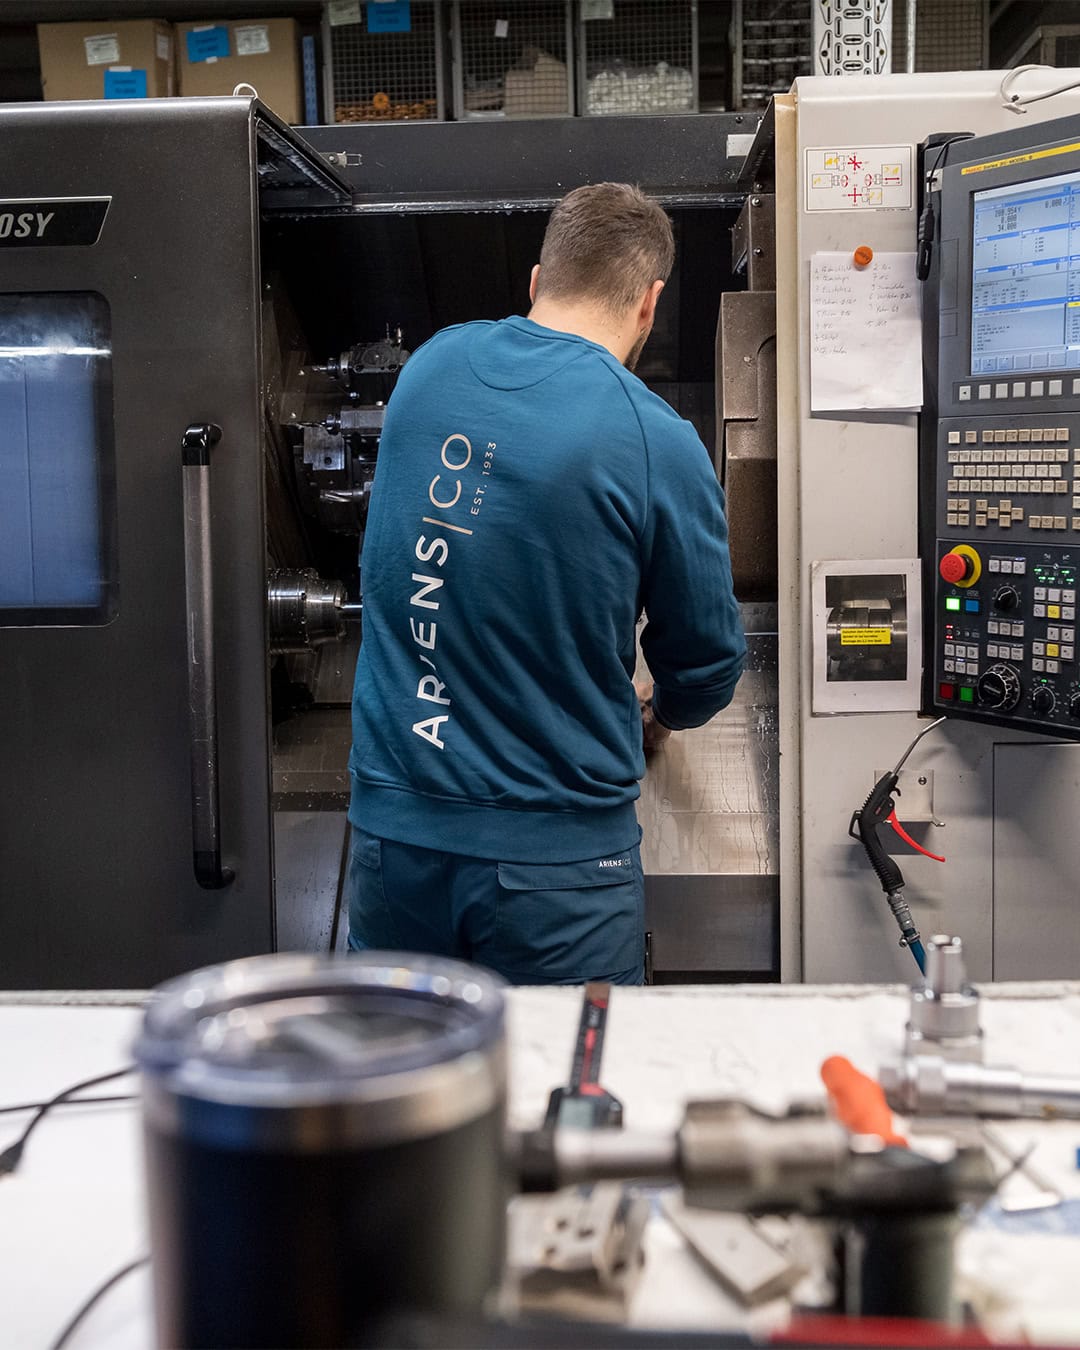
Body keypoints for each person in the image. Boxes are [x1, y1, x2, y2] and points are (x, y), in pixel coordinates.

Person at [345, 181, 745, 985]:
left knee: (403, 1064)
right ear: (649, 304)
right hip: (554, 870)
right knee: (568, 1068)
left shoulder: (431, 366)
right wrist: (659, 717)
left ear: (537, 281)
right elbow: (705, 666)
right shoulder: (656, 438)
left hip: (393, 840)